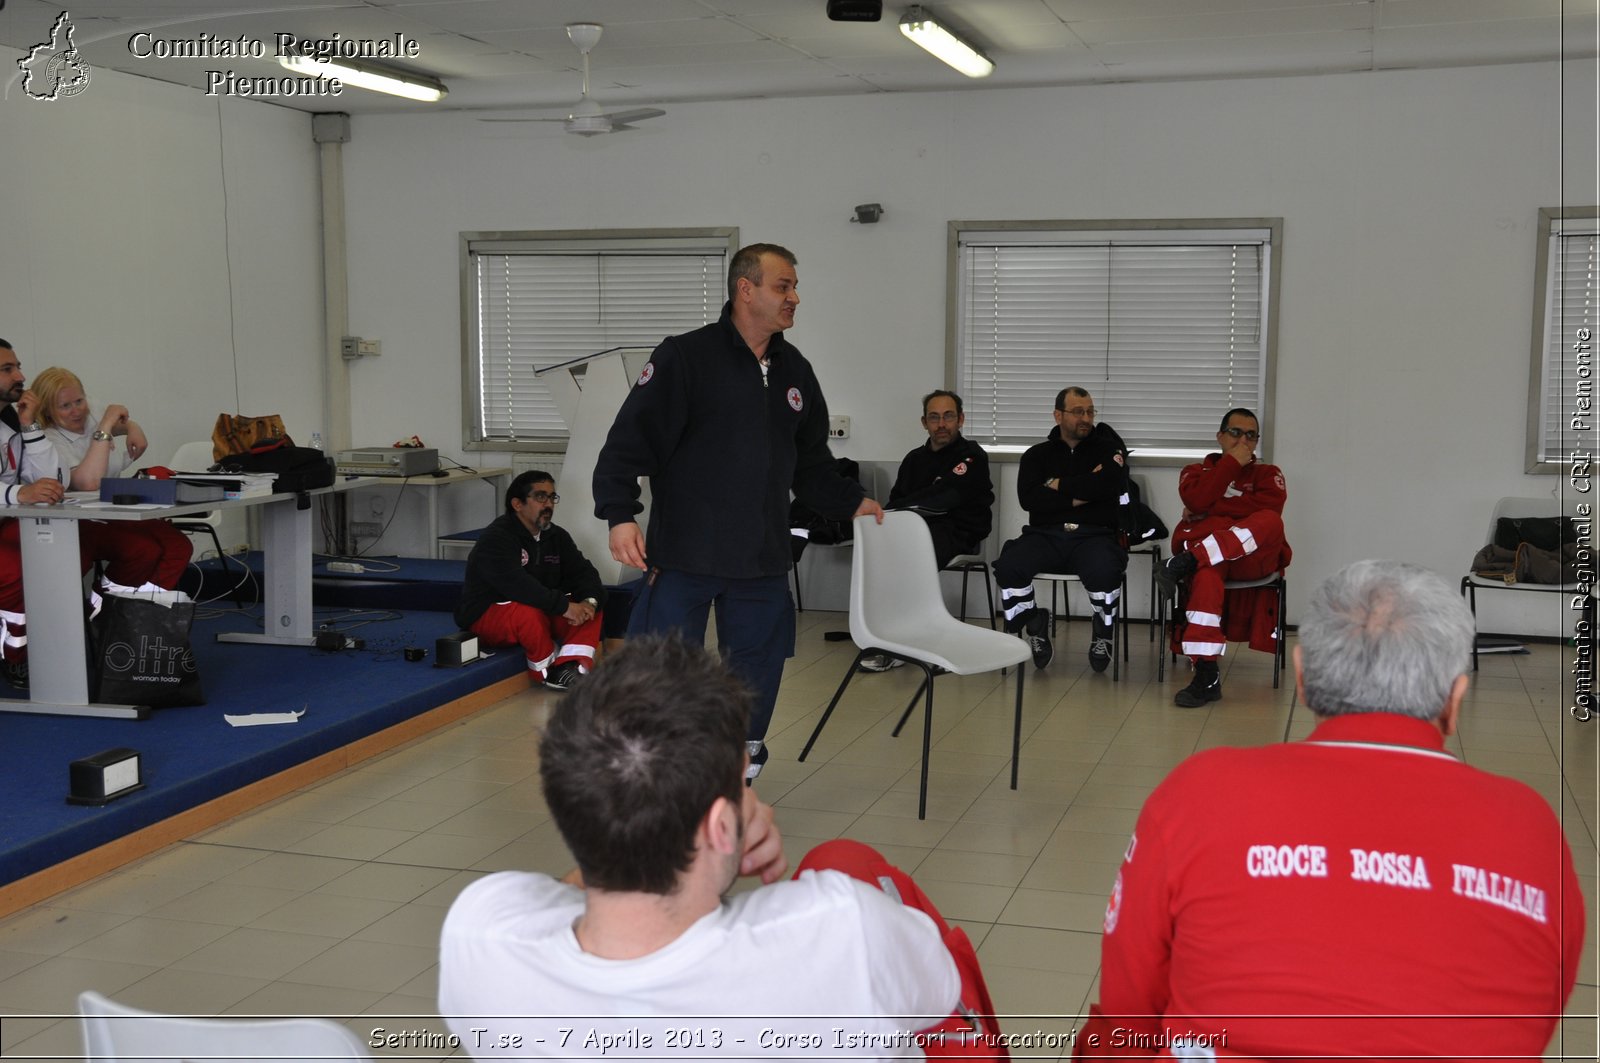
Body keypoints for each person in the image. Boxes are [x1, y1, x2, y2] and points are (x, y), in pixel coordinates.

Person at [1082, 560, 1584, 1061]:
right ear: (1455, 701)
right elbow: (1532, 1021)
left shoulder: (1200, 793)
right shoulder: (1530, 827)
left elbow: (1124, 1024)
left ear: (1302, 679)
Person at [438, 635, 981, 1060]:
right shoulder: (842, 925)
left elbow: (563, 893)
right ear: (723, 826)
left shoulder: (480, 933)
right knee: (846, 861)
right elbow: (939, 994)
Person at [593, 242, 882, 779]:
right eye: (784, 286)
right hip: (686, 550)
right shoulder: (685, 357)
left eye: (794, 287)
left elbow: (812, 462)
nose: (795, 297)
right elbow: (628, 442)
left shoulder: (795, 370)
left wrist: (852, 503)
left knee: (758, 664)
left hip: (762, 554)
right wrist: (620, 512)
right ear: (745, 289)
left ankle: (741, 757)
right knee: (661, 667)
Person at [1154, 407, 1290, 708]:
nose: (1244, 440)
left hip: (1251, 558)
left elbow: (1268, 509)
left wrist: (1212, 511)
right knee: (1205, 575)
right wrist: (1229, 466)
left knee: (1270, 521)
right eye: (1236, 433)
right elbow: (1196, 499)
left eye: (1251, 435)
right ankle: (1206, 675)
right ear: (1220, 436)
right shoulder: (1194, 471)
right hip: (1214, 560)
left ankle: (1186, 561)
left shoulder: (1269, 474)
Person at [991, 387, 1128, 672]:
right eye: (1078, 411)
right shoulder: (1036, 455)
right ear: (1058, 415)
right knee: (1009, 566)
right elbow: (1029, 499)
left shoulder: (1109, 450)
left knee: (1106, 570)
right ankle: (1034, 620)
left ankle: (1102, 630)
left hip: (1094, 536)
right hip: (1045, 535)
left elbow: (1109, 487)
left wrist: (1057, 484)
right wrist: (1083, 492)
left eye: (1090, 411)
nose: (1086, 418)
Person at [860, 390, 993, 673]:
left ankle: (915, 643)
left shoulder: (972, 456)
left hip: (959, 531)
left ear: (961, 420)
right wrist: (910, 507)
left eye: (948, 417)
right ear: (924, 422)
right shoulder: (913, 459)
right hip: (915, 530)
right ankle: (884, 637)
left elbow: (945, 499)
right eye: (934, 418)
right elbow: (896, 503)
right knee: (876, 555)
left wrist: (912, 505)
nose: (941, 424)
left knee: (913, 559)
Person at [33, 366, 192, 593]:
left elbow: (121, 419)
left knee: (179, 546)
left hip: (116, 508)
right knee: (143, 550)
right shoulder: (48, 439)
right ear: (48, 410)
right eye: (65, 406)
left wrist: (132, 427)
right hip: (80, 519)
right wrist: (106, 426)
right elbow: (87, 483)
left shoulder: (91, 411)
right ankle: (109, 605)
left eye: (79, 401)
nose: (76, 410)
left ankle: (147, 607)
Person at [455, 471, 605, 691]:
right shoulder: (496, 538)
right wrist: (563, 606)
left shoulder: (557, 536)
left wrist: (588, 603)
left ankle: (572, 667)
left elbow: (585, 573)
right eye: (540, 497)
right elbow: (517, 585)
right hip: (488, 615)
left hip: (540, 608)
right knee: (527, 612)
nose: (549, 505)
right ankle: (548, 672)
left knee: (592, 607)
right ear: (517, 504)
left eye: (552, 497)